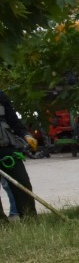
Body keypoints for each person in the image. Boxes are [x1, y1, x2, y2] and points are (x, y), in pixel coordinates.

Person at [0, 89, 37, 219]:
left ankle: (29, 219)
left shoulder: (1, 96)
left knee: (22, 185)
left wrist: (26, 135)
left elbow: (14, 121)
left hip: (7, 148)